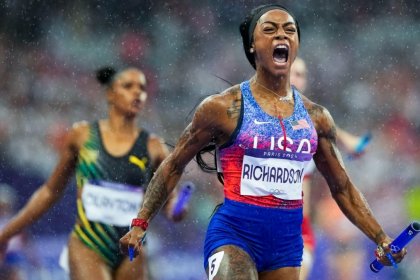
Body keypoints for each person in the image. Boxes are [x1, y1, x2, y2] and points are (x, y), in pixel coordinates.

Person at [120, 4, 406, 280]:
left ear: (295, 45)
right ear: (253, 46)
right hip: (234, 236)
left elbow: (341, 187)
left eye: (289, 30)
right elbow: (173, 166)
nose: (281, 35)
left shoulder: (316, 118)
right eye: (269, 29)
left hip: (286, 246)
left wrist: (380, 237)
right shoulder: (222, 108)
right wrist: (140, 222)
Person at [0, 67, 180, 280]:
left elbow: (170, 203)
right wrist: (7, 232)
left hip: (130, 246)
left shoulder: (153, 147)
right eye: (128, 87)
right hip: (89, 243)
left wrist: (175, 207)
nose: (136, 93)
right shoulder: (83, 137)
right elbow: (49, 191)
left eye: (141, 88)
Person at [290, 56, 371, 280]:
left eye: (301, 74)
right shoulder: (255, 118)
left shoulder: (311, 123)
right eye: (290, 73)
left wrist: (350, 142)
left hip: (297, 230)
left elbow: (344, 140)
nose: (295, 79)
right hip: (258, 222)